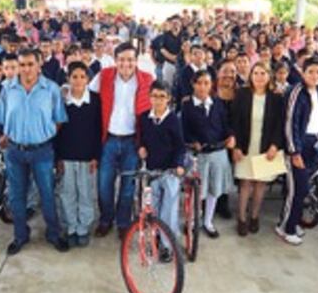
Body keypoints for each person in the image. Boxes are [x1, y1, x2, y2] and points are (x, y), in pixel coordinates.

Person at [0, 47, 70, 255]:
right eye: (22, 65)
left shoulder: (52, 89)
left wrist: (42, 134)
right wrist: (10, 136)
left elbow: (59, 120)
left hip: (42, 151)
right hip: (15, 152)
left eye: (30, 64)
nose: (26, 69)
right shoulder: (7, 89)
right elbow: (3, 119)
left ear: (39, 65)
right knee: (16, 196)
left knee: (47, 194)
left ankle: (53, 234)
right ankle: (20, 235)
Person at [89, 42, 153, 238]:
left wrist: (145, 144)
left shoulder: (147, 79)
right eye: (122, 59)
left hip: (132, 142)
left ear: (137, 60)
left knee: (127, 187)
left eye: (131, 59)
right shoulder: (104, 76)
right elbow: (90, 99)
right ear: (115, 60)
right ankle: (106, 219)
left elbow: (152, 112)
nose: (126, 63)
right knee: (104, 185)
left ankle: (123, 223)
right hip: (108, 140)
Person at [278, 58, 318, 246]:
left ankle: (292, 221)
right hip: (299, 145)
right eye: (311, 72)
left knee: (303, 189)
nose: (315, 76)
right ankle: (286, 228)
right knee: (297, 189)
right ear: (303, 73)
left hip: (314, 143)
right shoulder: (295, 92)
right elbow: (289, 123)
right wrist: (294, 151)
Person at [231, 63, 284, 236]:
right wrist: (236, 147)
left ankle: (254, 216)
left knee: (260, 183)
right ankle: (241, 218)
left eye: (263, 73)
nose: (259, 77)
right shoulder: (242, 95)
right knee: (245, 183)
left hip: (265, 147)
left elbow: (279, 125)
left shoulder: (276, 99)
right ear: (250, 76)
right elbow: (234, 122)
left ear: (269, 76)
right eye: (256, 73)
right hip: (246, 146)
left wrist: (275, 145)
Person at [181, 69, 234, 238]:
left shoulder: (217, 103)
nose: (203, 87)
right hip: (199, 155)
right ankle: (193, 220)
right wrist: (192, 142)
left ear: (211, 85)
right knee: (197, 191)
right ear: (193, 84)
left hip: (218, 152)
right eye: (199, 83)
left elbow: (225, 124)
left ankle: (208, 221)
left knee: (214, 188)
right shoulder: (187, 106)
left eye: (207, 83)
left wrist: (230, 136)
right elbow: (183, 130)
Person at [54, 62, 102, 247]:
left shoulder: (95, 100)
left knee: (86, 193)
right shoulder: (62, 101)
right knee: (67, 193)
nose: (78, 80)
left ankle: (83, 228)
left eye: (82, 77)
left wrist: (96, 156)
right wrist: (57, 157)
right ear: (68, 79)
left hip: (87, 157)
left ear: (88, 79)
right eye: (74, 77)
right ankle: (71, 226)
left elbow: (98, 130)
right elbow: (58, 131)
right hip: (66, 156)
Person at [137, 81, 186, 251]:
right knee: (153, 207)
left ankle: (167, 245)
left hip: (170, 170)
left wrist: (179, 164)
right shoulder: (144, 118)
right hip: (152, 170)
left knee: (169, 208)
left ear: (169, 99)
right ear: (149, 97)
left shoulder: (173, 120)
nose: (158, 100)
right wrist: (141, 148)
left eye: (162, 97)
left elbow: (180, 146)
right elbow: (142, 139)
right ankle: (154, 237)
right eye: (154, 96)